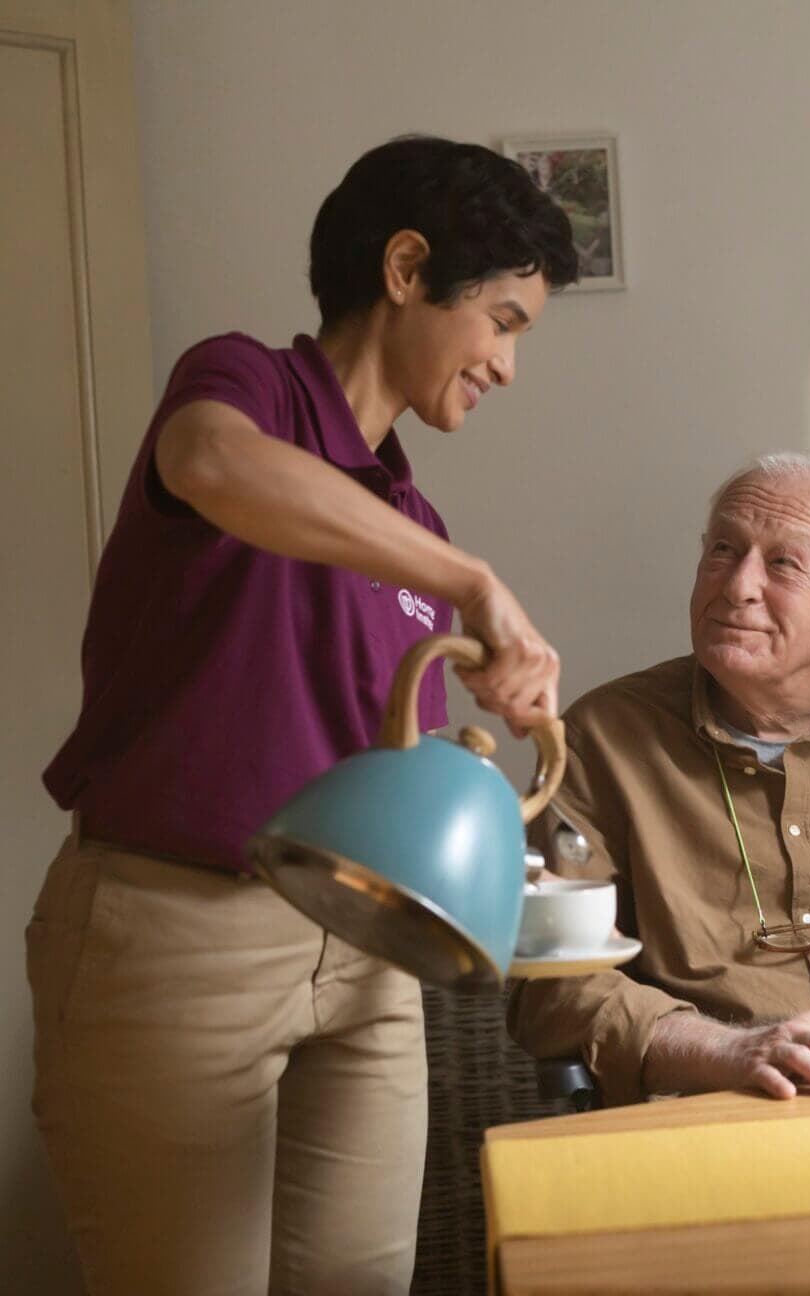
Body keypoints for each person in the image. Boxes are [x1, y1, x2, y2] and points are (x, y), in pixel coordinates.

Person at [27, 136, 577, 1296]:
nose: (508, 368)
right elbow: (216, 466)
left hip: (366, 950)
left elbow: (363, 765)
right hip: (179, 934)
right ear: (406, 268)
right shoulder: (244, 385)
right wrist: (474, 580)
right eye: (505, 322)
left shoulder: (404, 509)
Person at [509, 452, 810, 1108]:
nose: (737, 585)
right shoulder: (602, 740)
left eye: (782, 563)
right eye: (722, 549)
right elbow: (549, 986)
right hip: (731, 1110)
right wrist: (722, 1049)